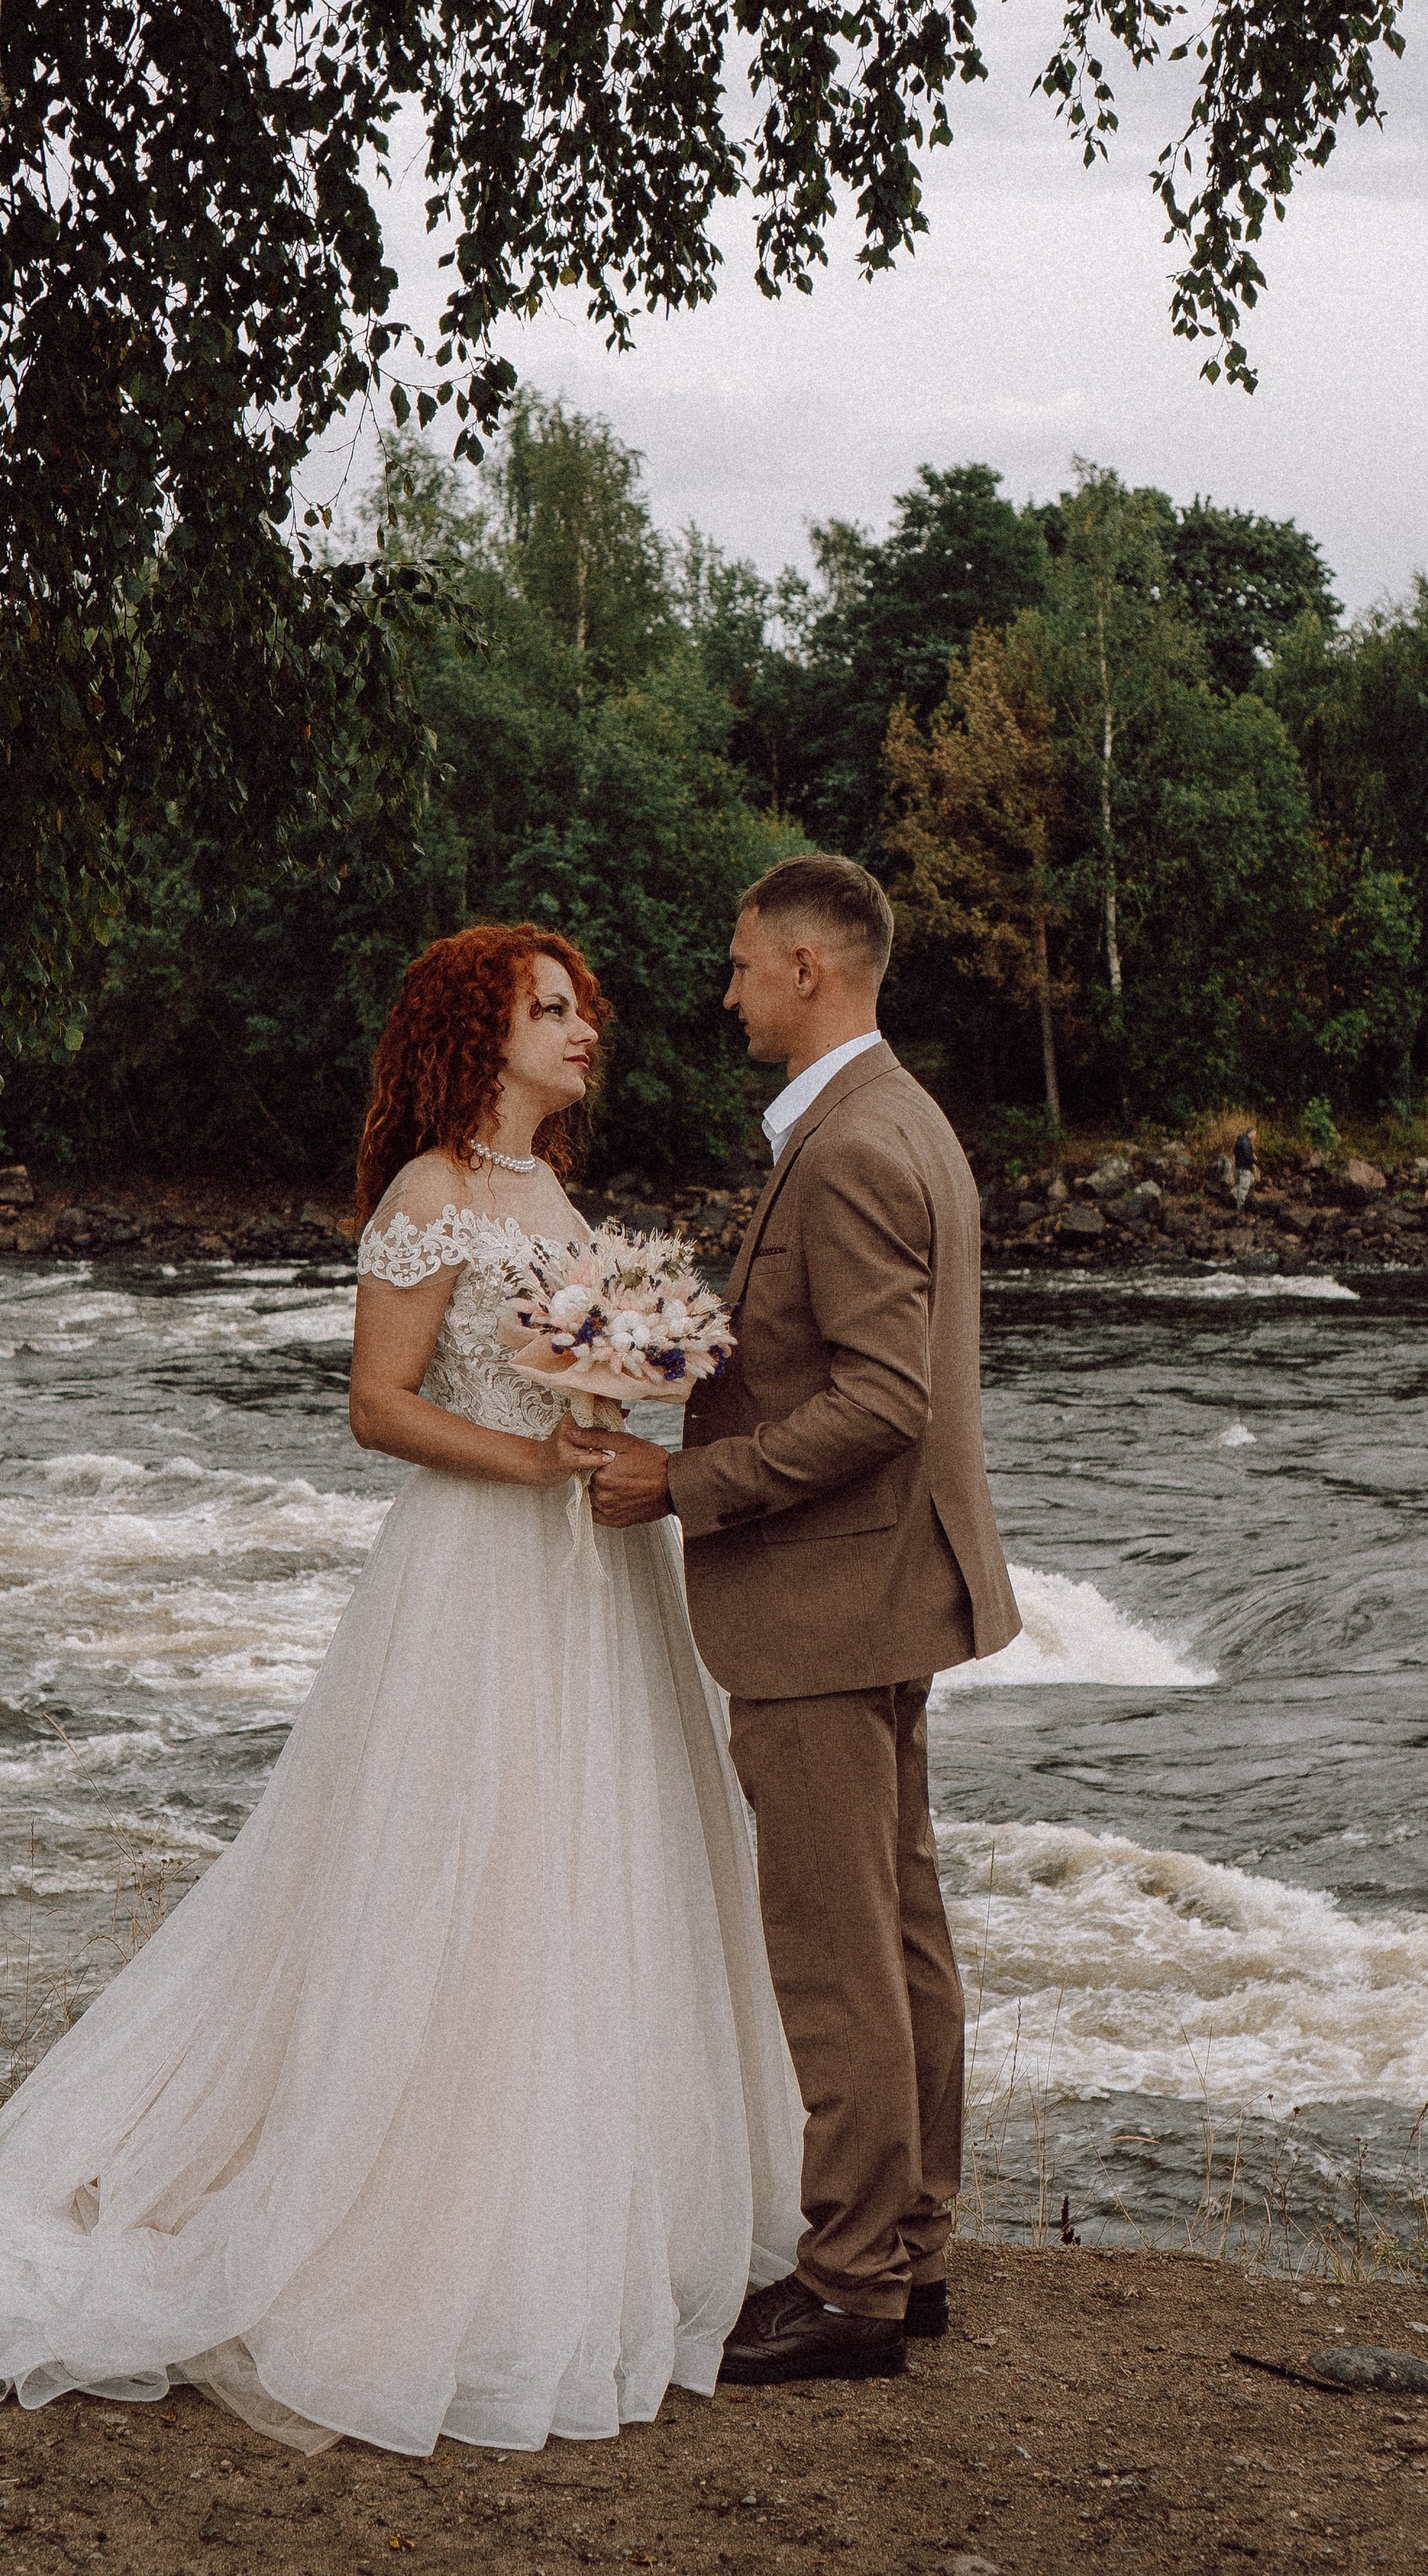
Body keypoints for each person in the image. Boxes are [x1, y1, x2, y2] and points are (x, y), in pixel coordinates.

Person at [0, 923, 802, 2456]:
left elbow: (583, 1366)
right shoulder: (429, 1196)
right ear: (477, 1034)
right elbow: (377, 1408)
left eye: (583, 1011)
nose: (585, 1033)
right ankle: (401, 2219)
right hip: (476, 1571)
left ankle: (565, 2205)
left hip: (595, 1576)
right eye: (551, 1012)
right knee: (457, 1869)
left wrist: (629, 1390)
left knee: (589, 1865)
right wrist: (536, 1454)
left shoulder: (550, 1193)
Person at [589, 857, 1021, 2386]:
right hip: (885, 1589)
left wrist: (684, 1481)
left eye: (737, 966)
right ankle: (904, 2258)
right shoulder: (898, 1119)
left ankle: (847, 2289)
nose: (725, 993)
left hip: (828, 1599)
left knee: (836, 1949)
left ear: (805, 973)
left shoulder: (847, 1147)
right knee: (899, 1936)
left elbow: (881, 1403)